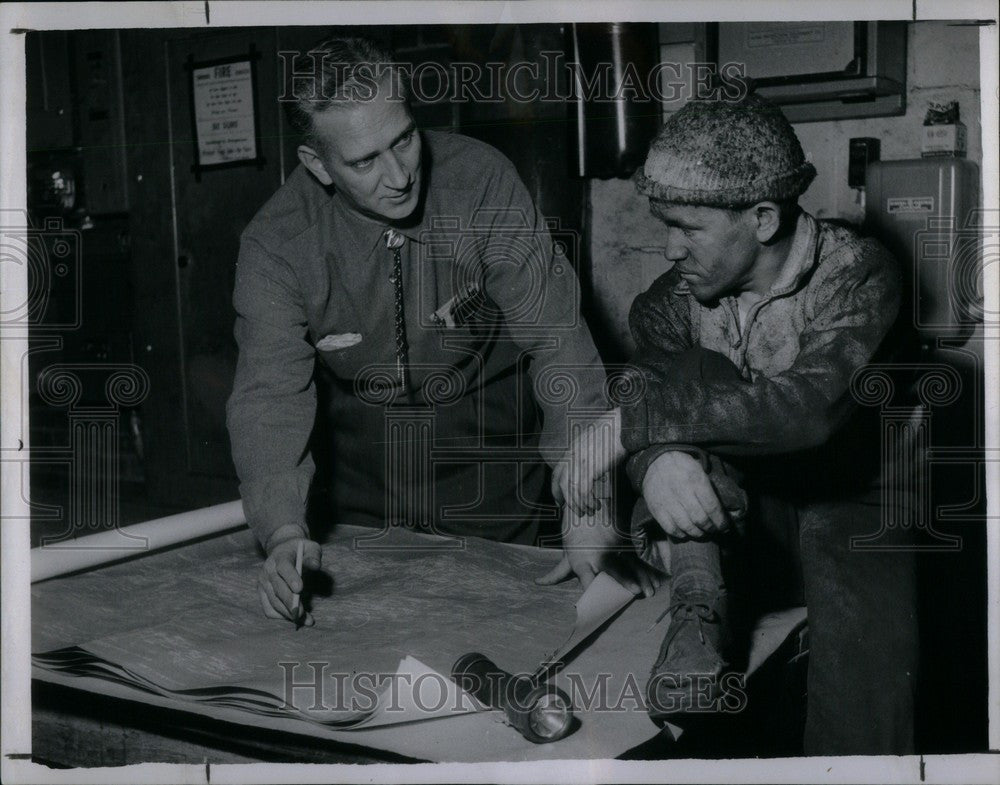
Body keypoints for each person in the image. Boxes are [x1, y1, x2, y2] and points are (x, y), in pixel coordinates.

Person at [226, 35, 658, 627]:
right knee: (373, 637)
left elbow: (556, 337)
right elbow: (269, 398)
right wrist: (282, 531)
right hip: (361, 461)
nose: (399, 175)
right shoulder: (276, 246)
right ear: (317, 165)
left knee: (517, 624)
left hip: (491, 442)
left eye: (403, 139)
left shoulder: (480, 180)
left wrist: (586, 498)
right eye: (364, 161)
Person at [553, 92, 918, 754]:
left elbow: (808, 411)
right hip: (744, 517)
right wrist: (655, 457)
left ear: (762, 217)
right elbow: (643, 382)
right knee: (690, 373)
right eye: (665, 225)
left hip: (858, 514)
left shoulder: (861, 275)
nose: (668, 248)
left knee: (861, 721)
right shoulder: (670, 303)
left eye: (688, 228)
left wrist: (635, 428)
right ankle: (697, 610)